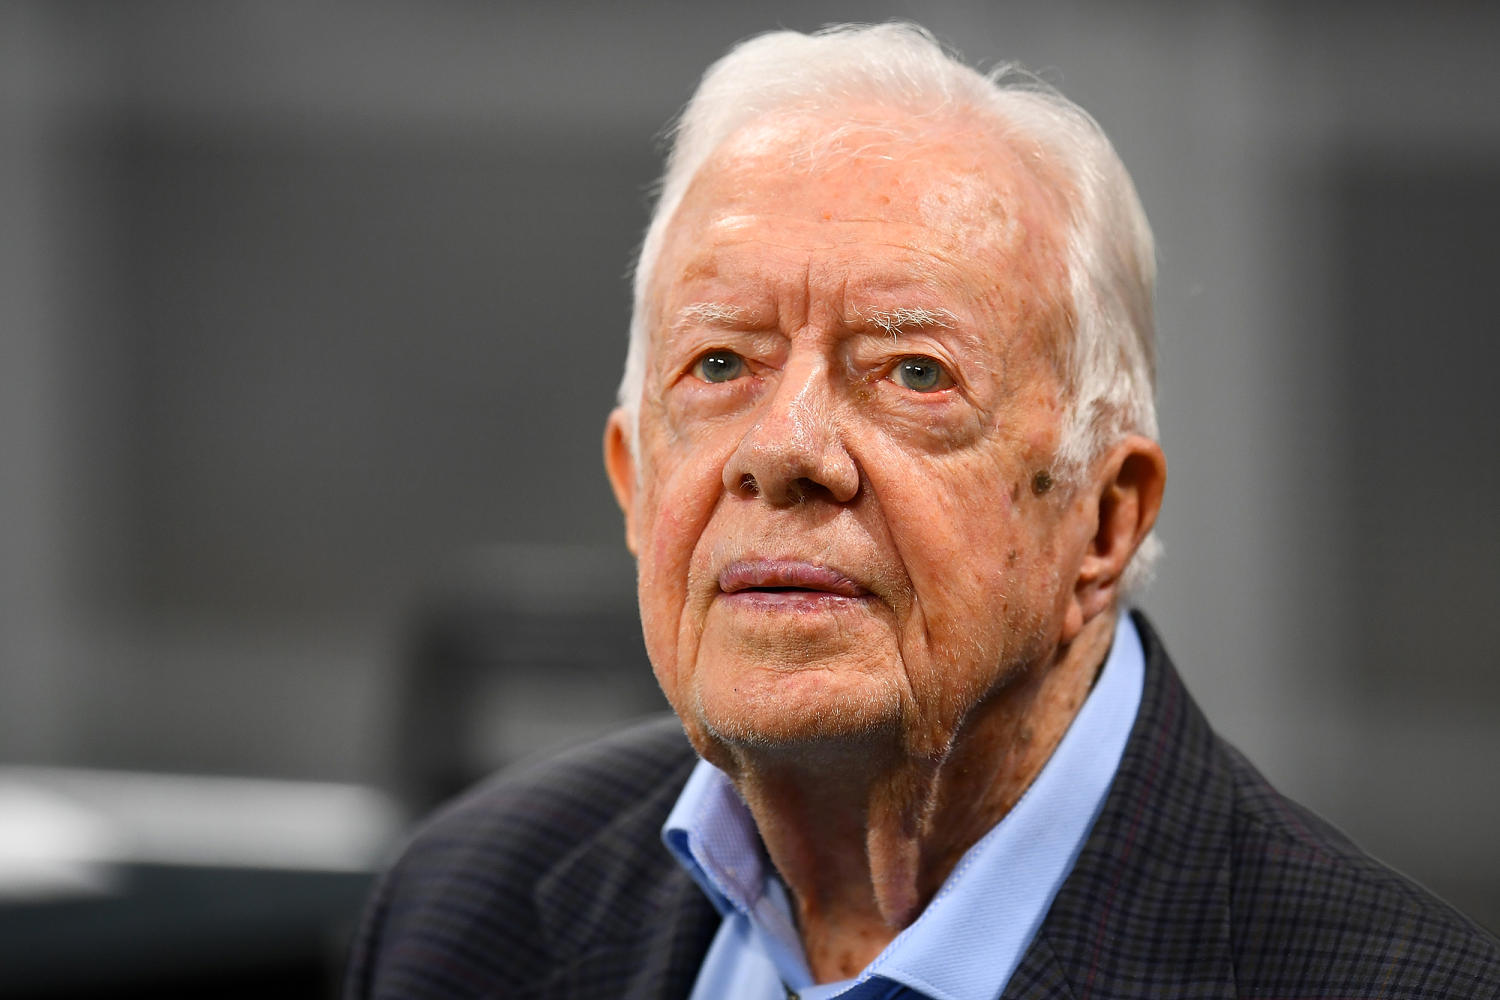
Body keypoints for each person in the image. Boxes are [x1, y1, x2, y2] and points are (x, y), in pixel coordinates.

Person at [344, 23, 1500, 1000]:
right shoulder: (462, 912)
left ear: (1104, 520)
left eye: (912, 371)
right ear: (638, 490)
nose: (785, 453)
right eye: (718, 363)